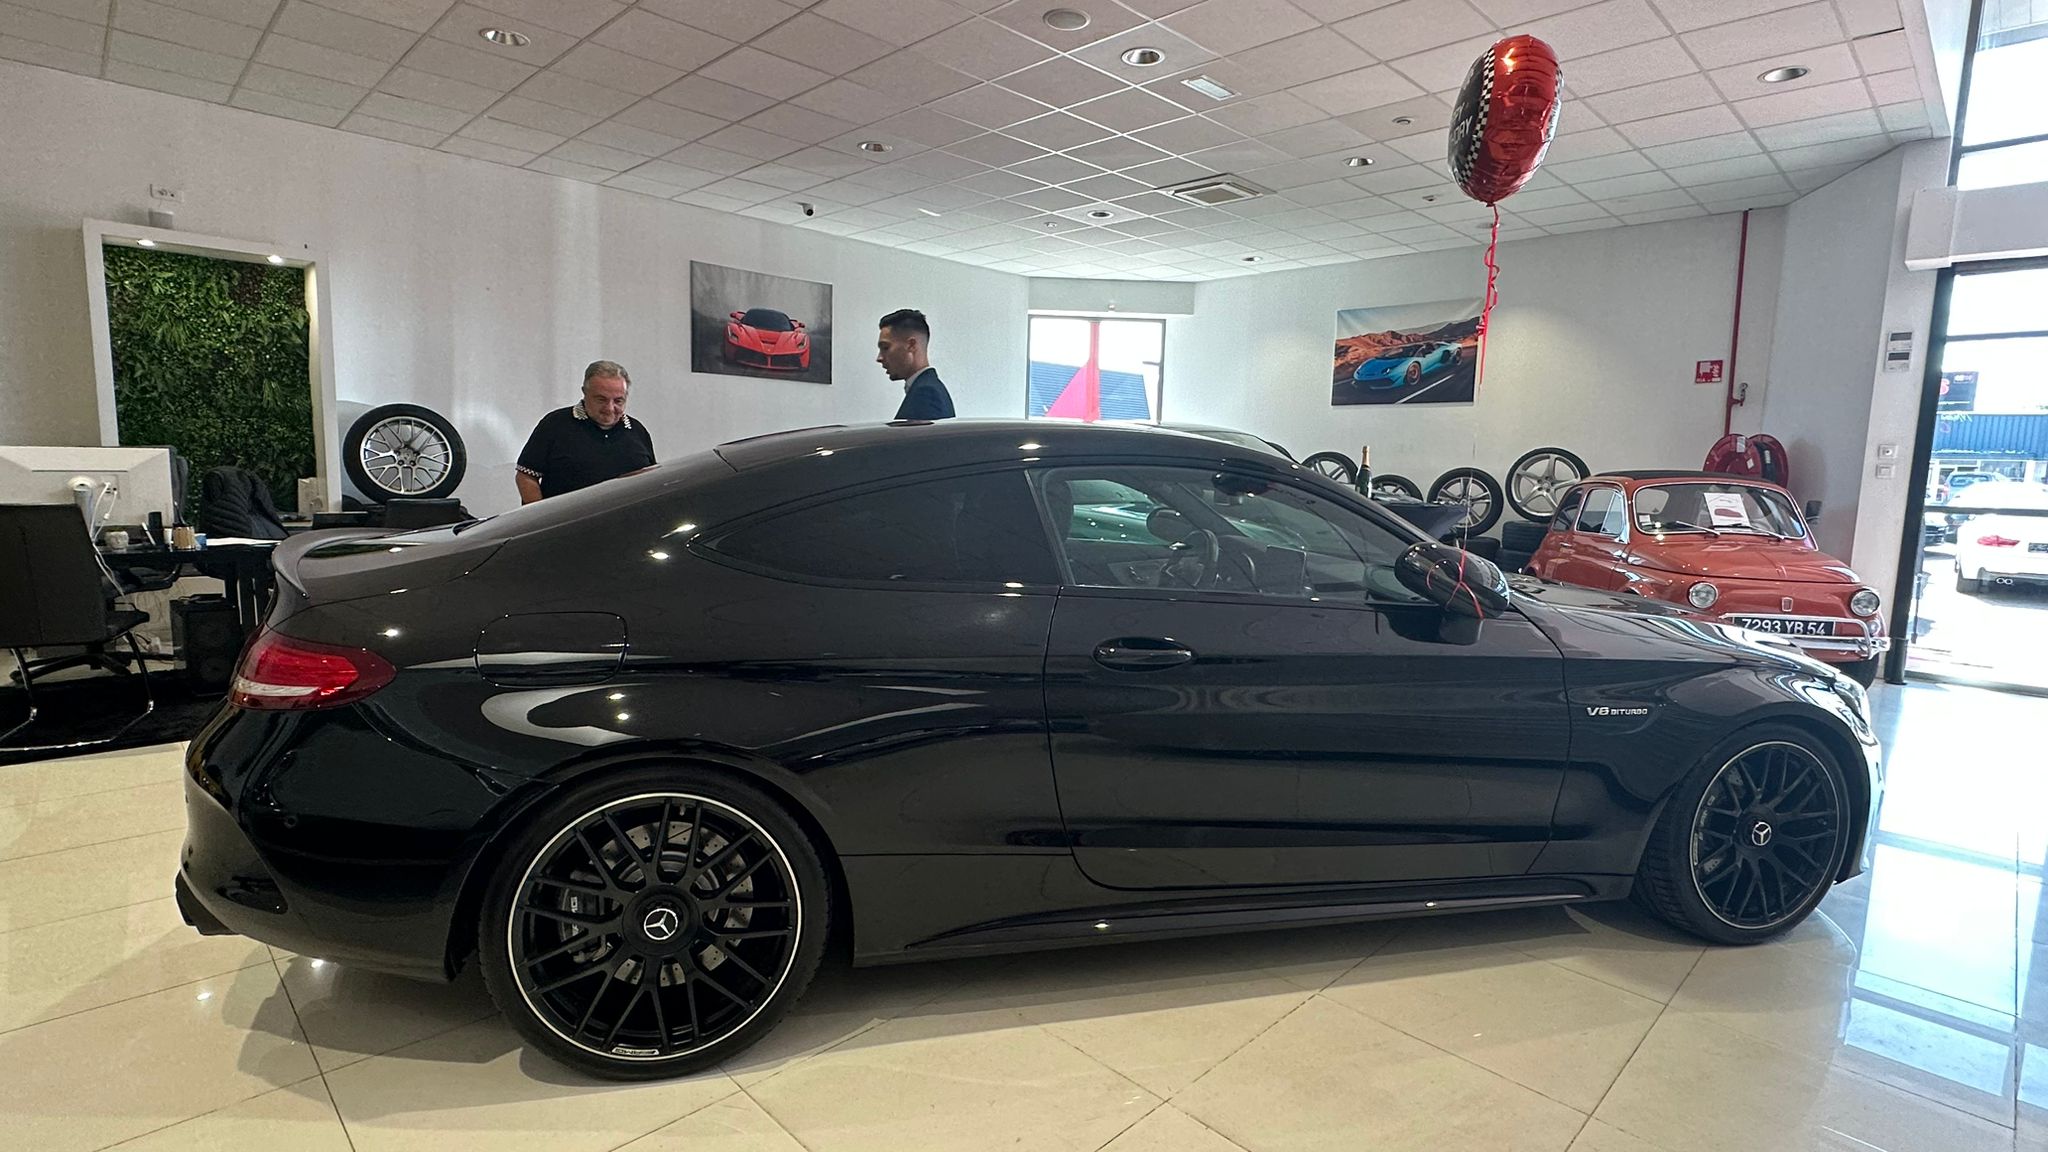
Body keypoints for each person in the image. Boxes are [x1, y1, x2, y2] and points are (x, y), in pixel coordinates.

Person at [514, 360, 655, 503]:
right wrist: (542, 514)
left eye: (618, 401)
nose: (609, 408)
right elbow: (526, 475)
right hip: (569, 517)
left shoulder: (637, 431)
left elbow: (651, 481)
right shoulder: (555, 425)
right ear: (585, 393)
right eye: (601, 400)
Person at [877, 309, 954, 420]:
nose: (879, 358)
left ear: (911, 345)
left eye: (885, 348)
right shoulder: (926, 388)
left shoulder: (926, 393)